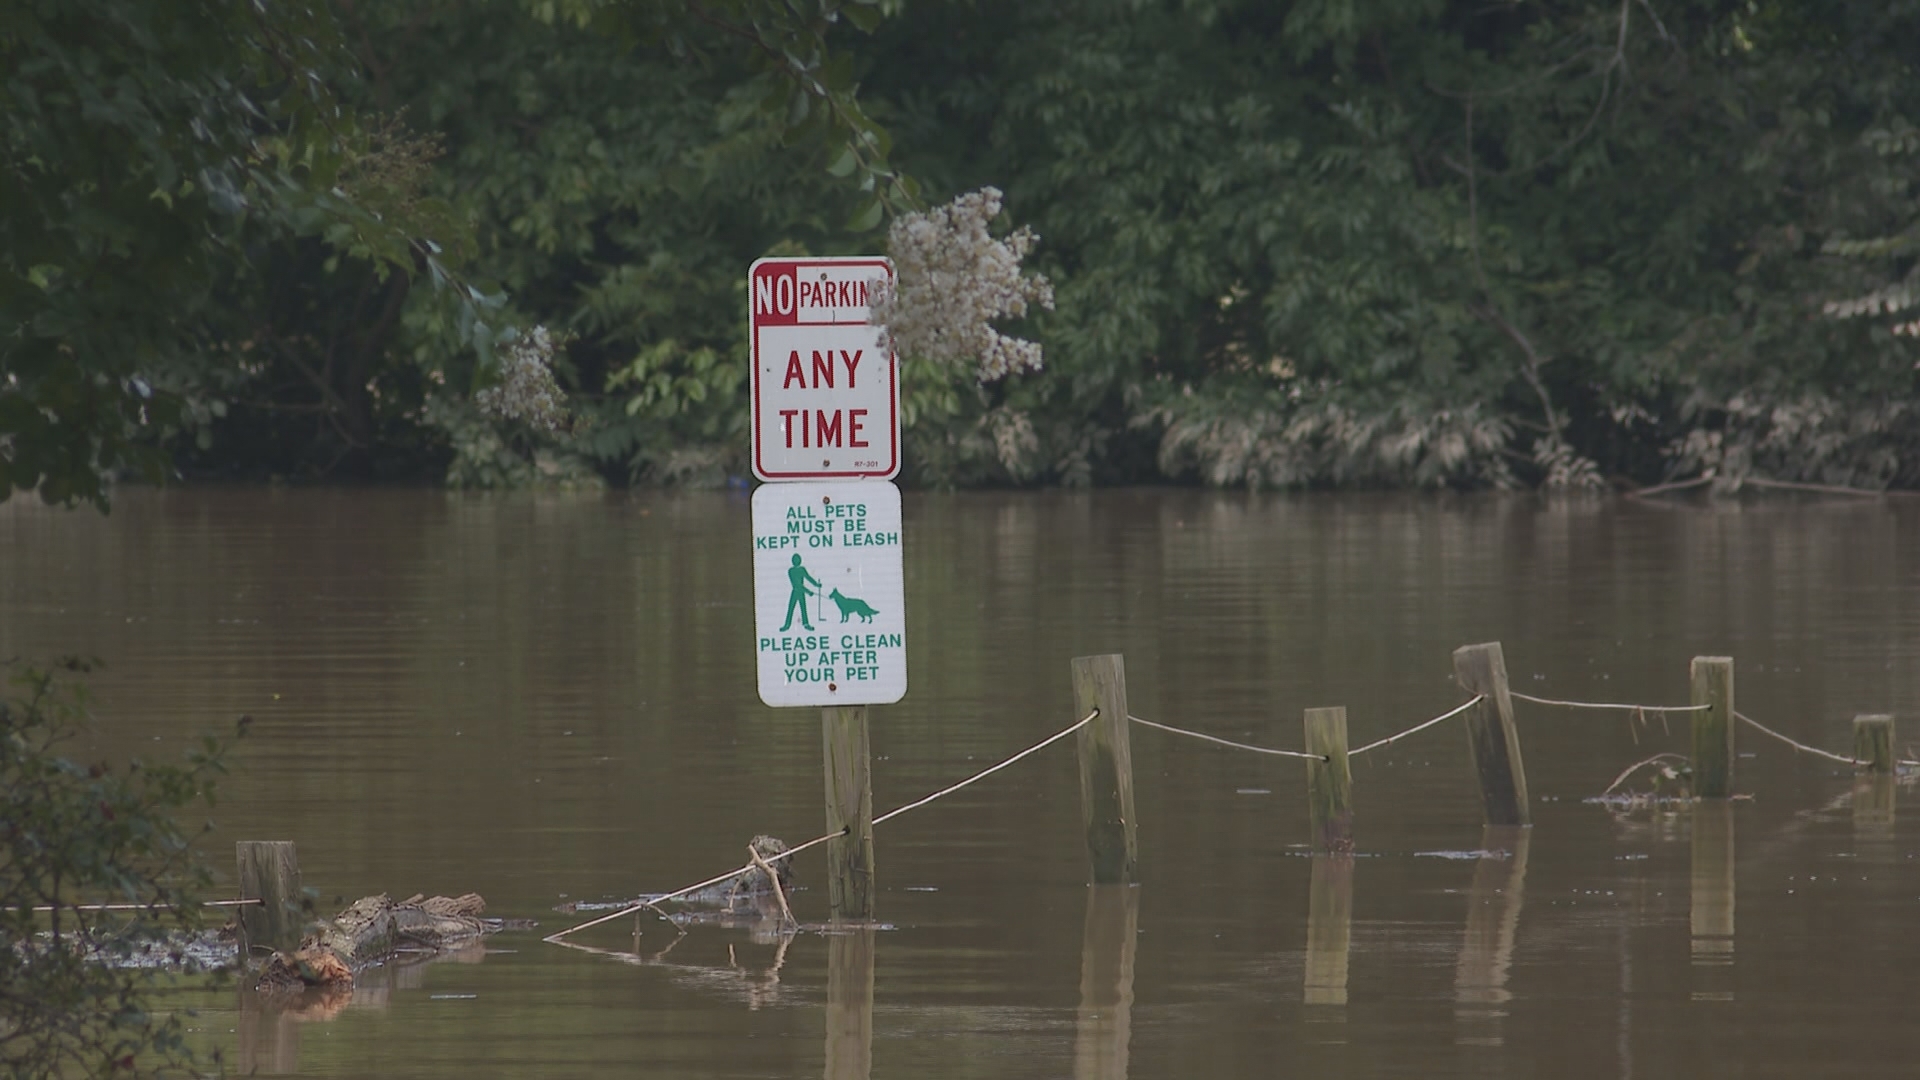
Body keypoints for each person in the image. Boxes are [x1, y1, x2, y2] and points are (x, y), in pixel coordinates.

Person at [780, 554, 823, 631]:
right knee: (791, 608)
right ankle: (787, 625)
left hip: (801, 592)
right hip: (796, 591)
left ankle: (806, 624)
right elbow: (797, 584)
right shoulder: (791, 571)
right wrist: (808, 592)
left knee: (803, 608)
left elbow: (808, 577)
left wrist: (816, 584)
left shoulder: (802, 569)